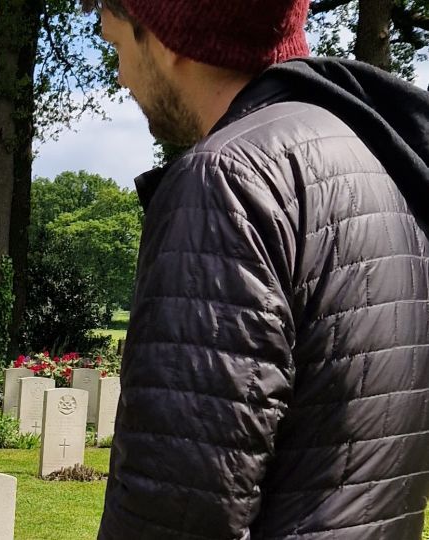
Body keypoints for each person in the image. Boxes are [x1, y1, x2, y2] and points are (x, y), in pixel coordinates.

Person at [80, 1, 429, 538]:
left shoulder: (226, 179)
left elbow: (180, 504)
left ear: (170, 41)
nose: (122, 76)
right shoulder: (376, 162)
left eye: (118, 46)